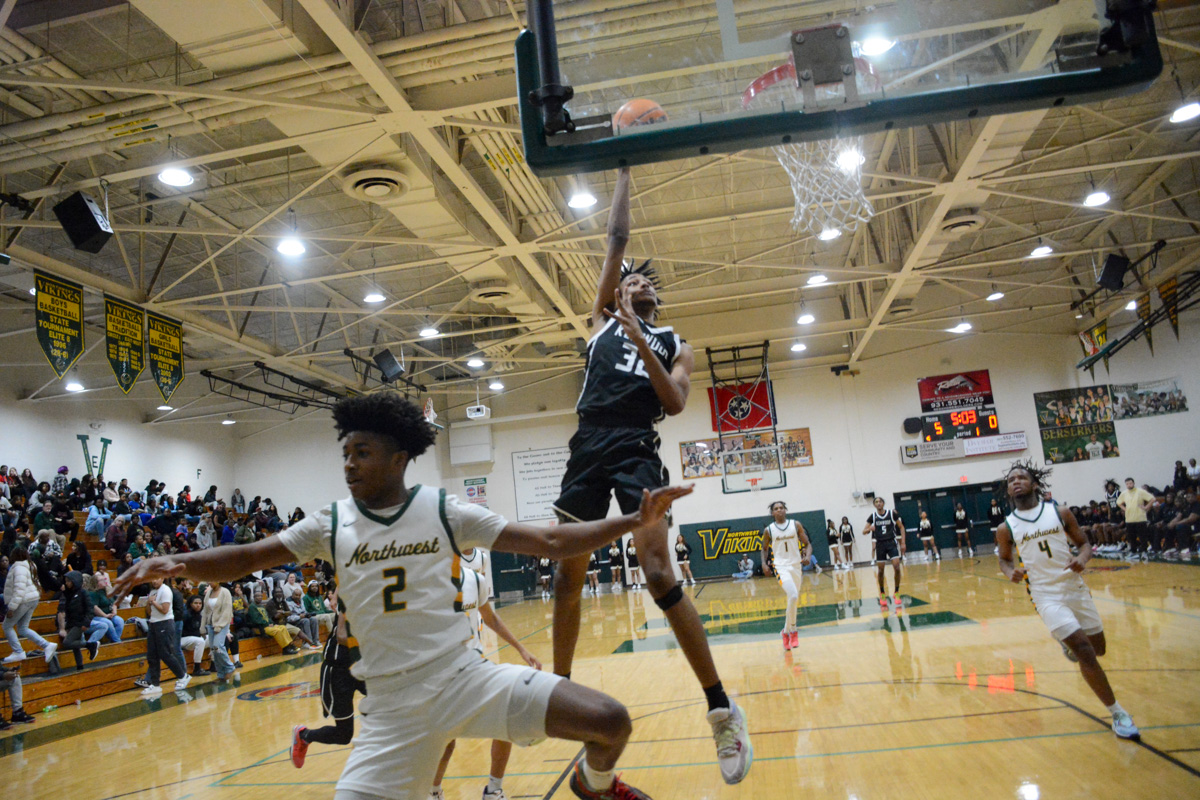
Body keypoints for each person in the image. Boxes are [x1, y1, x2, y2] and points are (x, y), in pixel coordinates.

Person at [112, 392, 695, 800]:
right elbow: (247, 557)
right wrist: (177, 562)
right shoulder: (330, 523)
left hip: (465, 679)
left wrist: (631, 521)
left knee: (610, 721)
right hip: (391, 709)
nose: (349, 464)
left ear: (398, 459)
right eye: (345, 453)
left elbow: (547, 540)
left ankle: (594, 787)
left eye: (362, 453)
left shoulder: (442, 510)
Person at [547, 167, 750, 785]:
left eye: (644, 282)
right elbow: (615, 239)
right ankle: (558, 695)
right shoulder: (601, 321)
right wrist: (623, 167)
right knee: (567, 578)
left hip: (636, 443)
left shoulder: (674, 343)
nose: (635, 281)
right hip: (588, 443)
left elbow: (676, 402)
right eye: (628, 280)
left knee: (659, 572)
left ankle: (721, 708)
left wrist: (641, 336)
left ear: (655, 299)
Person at [995, 460, 1139, 739]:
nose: (1016, 482)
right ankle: (1118, 713)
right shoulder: (1006, 527)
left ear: (1034, 484)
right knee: (1084, 650)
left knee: (1098, 649)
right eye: (1011, 480)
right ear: (1009, 491)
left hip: (1074, 588)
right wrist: (1011, 572)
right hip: (1044, 594)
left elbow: (1084, 544)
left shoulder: (1059, 512)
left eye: (1021, 477)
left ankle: (1068, 643)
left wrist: (1082, 559)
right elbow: (1003, 559)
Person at [428, 563, 543, 800]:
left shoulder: (474, 579)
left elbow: (491, 619)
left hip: (474, 667)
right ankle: (433, 791)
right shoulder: (426, 582)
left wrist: (521, 649)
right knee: (446, 743)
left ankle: (493, 790)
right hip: (441, 673)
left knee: (505, 715)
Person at [291, 595, 365, 768]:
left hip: (363, 666)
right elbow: (342, 636)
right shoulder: (355, 595)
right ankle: (304, 736)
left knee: (390, 706)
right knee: (344, 735)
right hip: (338, 670)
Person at [760, 501, 811, 651]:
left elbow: (807, 544)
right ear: (772, 513)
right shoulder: (769, 530)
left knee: (793, 600)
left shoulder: (795, 525)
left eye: (781, 508)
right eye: (776, 509)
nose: (779, 510)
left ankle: (785, 631)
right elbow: (764, 549)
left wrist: (808, 556)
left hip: (796, 565)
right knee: (793, 595)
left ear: (785, 510)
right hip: (780, 566)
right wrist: (764, 564)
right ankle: (793, 630)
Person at [1, 547, 57, 664]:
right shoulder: (29, 565)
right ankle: (47, 645)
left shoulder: (18, 568)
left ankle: (18, 651)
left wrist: (11, 608)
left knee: (7, 625)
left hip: (24, 600)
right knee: (22, 628)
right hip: (32, 598)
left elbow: (19, 590)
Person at [139, 575, 191, 696]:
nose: (154, 580)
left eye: (156, 578)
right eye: (152, 578)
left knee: (165, 653)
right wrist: (149, 603)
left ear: (162, 578)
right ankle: (155, 684)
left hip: (165, 623)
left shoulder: (166, 590)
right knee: (152, 655)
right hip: (153, 623)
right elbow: (149, 612)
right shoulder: (153, 591)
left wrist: (153, 601)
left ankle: (183, 676)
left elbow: (164, 610)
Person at [864, 496, 906, 609]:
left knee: (897, 567)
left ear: (883, 503)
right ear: (874, 505)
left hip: (891, 542)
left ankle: (896, 591)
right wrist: (869, 529)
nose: (878, 503)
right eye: (876, 502)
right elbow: (864, 531)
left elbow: (901, 527)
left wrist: (903, 542)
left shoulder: (891, 514)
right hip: (880, 544)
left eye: (880, 501)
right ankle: (882, 593)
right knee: (881, 570)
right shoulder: (873, 516)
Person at [56, 571, 102, 670]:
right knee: (75, 647)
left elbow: (90, 609)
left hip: (80, 622)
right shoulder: (67, 593)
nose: (67, 583)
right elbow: (62, 608)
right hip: (71, 622)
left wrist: (86, 623)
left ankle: (91, 645)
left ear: (74, 581)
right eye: (66, 581)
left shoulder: (83, 593)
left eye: (68, 581)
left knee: (67, 642)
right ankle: (80, 666)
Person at [202, 582, 236, 682]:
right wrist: (202, 627)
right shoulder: (209, 593)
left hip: (222, 624)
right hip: (210, 624)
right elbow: (205, 611)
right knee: (213, 649)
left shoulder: (225, 592)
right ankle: (221, 674)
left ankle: (229, 667)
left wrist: (219, 625)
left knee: (218, 646)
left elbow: (227, 611)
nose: (210, 582)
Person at [1117, 477, 1154, 555]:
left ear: (1133, 483)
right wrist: (1125, 509)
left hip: (1140, 518)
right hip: (1129, 519)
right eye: (1127, 484)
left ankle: (1144, 551)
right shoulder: (1124, 493)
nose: (1129, 485)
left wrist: (1146, 507)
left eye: (1130, 483)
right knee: (1131, 537)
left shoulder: (1140, 491)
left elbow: (1152, 499)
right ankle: (1133, 551)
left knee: (1142, 537)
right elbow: (1119, 502)